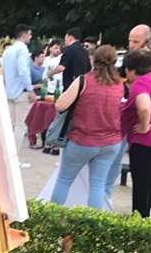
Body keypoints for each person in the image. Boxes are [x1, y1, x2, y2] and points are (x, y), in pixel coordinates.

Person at [50, 45, 124, 209]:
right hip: (111, 142)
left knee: (64, 180)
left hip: (82, 140)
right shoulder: (120, 84)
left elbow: (60, 105)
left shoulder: (84, 80)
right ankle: (93, 222)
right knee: (98, 185)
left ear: (93, 60)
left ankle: (53, 216)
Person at [121, 49, 151, 218]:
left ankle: (140, 227)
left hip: (146, 143)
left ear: (130, 70)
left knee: (143, 191)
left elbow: (144, 107)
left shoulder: (140, 84)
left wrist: (143, 126)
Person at [2, 24, 36, 157]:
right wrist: (30, 90)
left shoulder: (8, 50)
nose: (31, 37)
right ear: (25, 34)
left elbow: (4, 72)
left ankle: (6, 156)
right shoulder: (22, 50)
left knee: (10, 126)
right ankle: (13, 159)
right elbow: (23, 71)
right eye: (30, 34)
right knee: (20, 126)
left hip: (9, 91)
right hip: (21, 92)